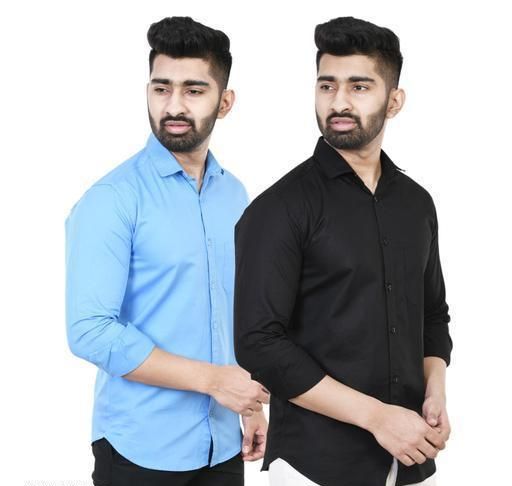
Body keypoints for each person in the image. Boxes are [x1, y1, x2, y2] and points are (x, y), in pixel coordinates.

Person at [234, 16, 452, 486]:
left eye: (359, 86)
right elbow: (259, 344)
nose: (338, 102)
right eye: (327, 85)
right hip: (313, 466)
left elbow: (433, 316)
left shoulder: (417, 204)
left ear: (394, 101)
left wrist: (435, 392)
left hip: (409, 460)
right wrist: (377, 417)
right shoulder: (279, 208)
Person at [65, 16, 268, 486]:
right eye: (162, 89)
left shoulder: (234, 195)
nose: (174, 105)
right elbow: (89, 331)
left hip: (222, 445)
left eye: (194, 90)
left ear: (225, 102)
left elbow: (231, 312)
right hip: (139, 449)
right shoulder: (111, 199)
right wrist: (213, 381)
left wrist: (249, 406)